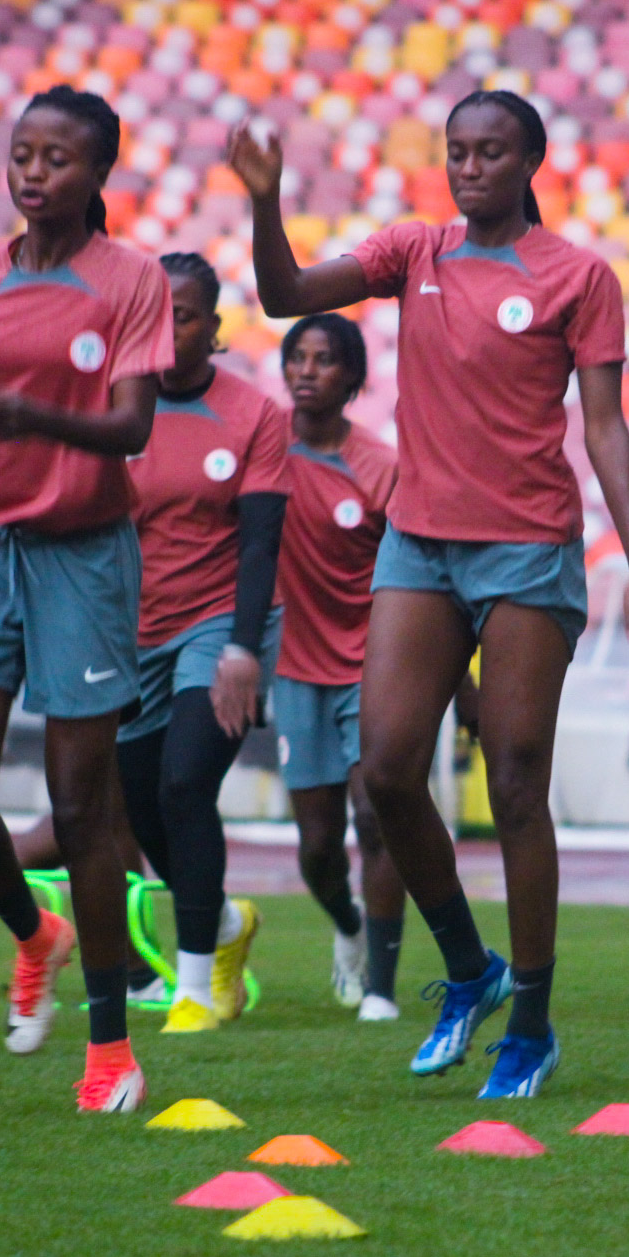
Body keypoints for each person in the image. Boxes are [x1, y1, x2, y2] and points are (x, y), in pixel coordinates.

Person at [229, 89, 629, 1099]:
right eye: (457, 152)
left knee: (513, 784)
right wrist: (264, 199)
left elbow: (604, 426)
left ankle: (534, 1026)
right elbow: (285, 293)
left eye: (490, 152)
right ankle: (471, 971)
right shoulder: (412, 251)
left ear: (531, 161)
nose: (469, 168)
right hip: (420, 545)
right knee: (386, 769)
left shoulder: (579, 276)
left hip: (527, 551)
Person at [0, 82, 172, 1112]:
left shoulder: (131, 279)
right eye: (23, 155)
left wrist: (37, 417)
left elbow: (134, 426)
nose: (34, 172)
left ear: (98, 174)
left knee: (81, 807)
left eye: (57, 158)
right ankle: (31, 930)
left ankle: (110, 1048)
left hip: (85, 558)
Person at [116, 251, 287, 1034]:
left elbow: (259, 543)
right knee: (139, 803)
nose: (166, 329)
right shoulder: (114, 406)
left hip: (218, 623)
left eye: (182, 316)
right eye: (155, 314)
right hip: (128, 629)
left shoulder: (253, 415)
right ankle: (222, 925)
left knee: (185, 784)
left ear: (212, 327)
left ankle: (192, 991)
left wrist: (243, 649)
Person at [270, 312, 410, 1020]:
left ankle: (381, 988)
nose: (307, 370)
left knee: (376, 818)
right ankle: (348, 926)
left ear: (352, 377)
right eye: (297, 356)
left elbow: (419, 577)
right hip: (295, 670)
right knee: (318, 846)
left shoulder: (380, 467)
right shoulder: (263, 450)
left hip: (372, 667)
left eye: (324, 359)